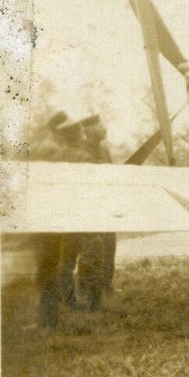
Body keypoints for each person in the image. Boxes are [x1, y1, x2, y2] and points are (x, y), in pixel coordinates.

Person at [28, 111, 93, 328]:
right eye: (78, 131)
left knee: (50, 265)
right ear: (73, 134)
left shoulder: (53, 154)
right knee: (63, 262)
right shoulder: (78, 156)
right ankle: (57, 312)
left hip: (47, 216)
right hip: (68, 217)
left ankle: (48, 319)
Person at [75, 114, 117, 310]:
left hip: (107, 204)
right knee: (90, 249)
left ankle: (106, 285)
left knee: (109, 245)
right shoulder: (81, 151)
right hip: (89, 206)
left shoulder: (104, 150)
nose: (103, 129)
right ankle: (85, 287)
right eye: (99, 127)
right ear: (89, 131)